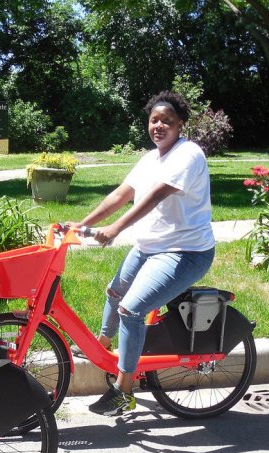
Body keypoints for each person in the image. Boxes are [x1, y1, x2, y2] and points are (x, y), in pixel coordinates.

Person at [68, 91, 215, 416]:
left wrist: (115, 229)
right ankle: (101, 348)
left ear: (181, 125)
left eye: (167, 121)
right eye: (154, 120)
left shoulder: (188, 155)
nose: (159, 126)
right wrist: (82, 223)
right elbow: (122, 193)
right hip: (151, 248)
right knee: (114, 291)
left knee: (131, 310)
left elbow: (158, 194)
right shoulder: (151, 158)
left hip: (185, 252)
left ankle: (124, 389)